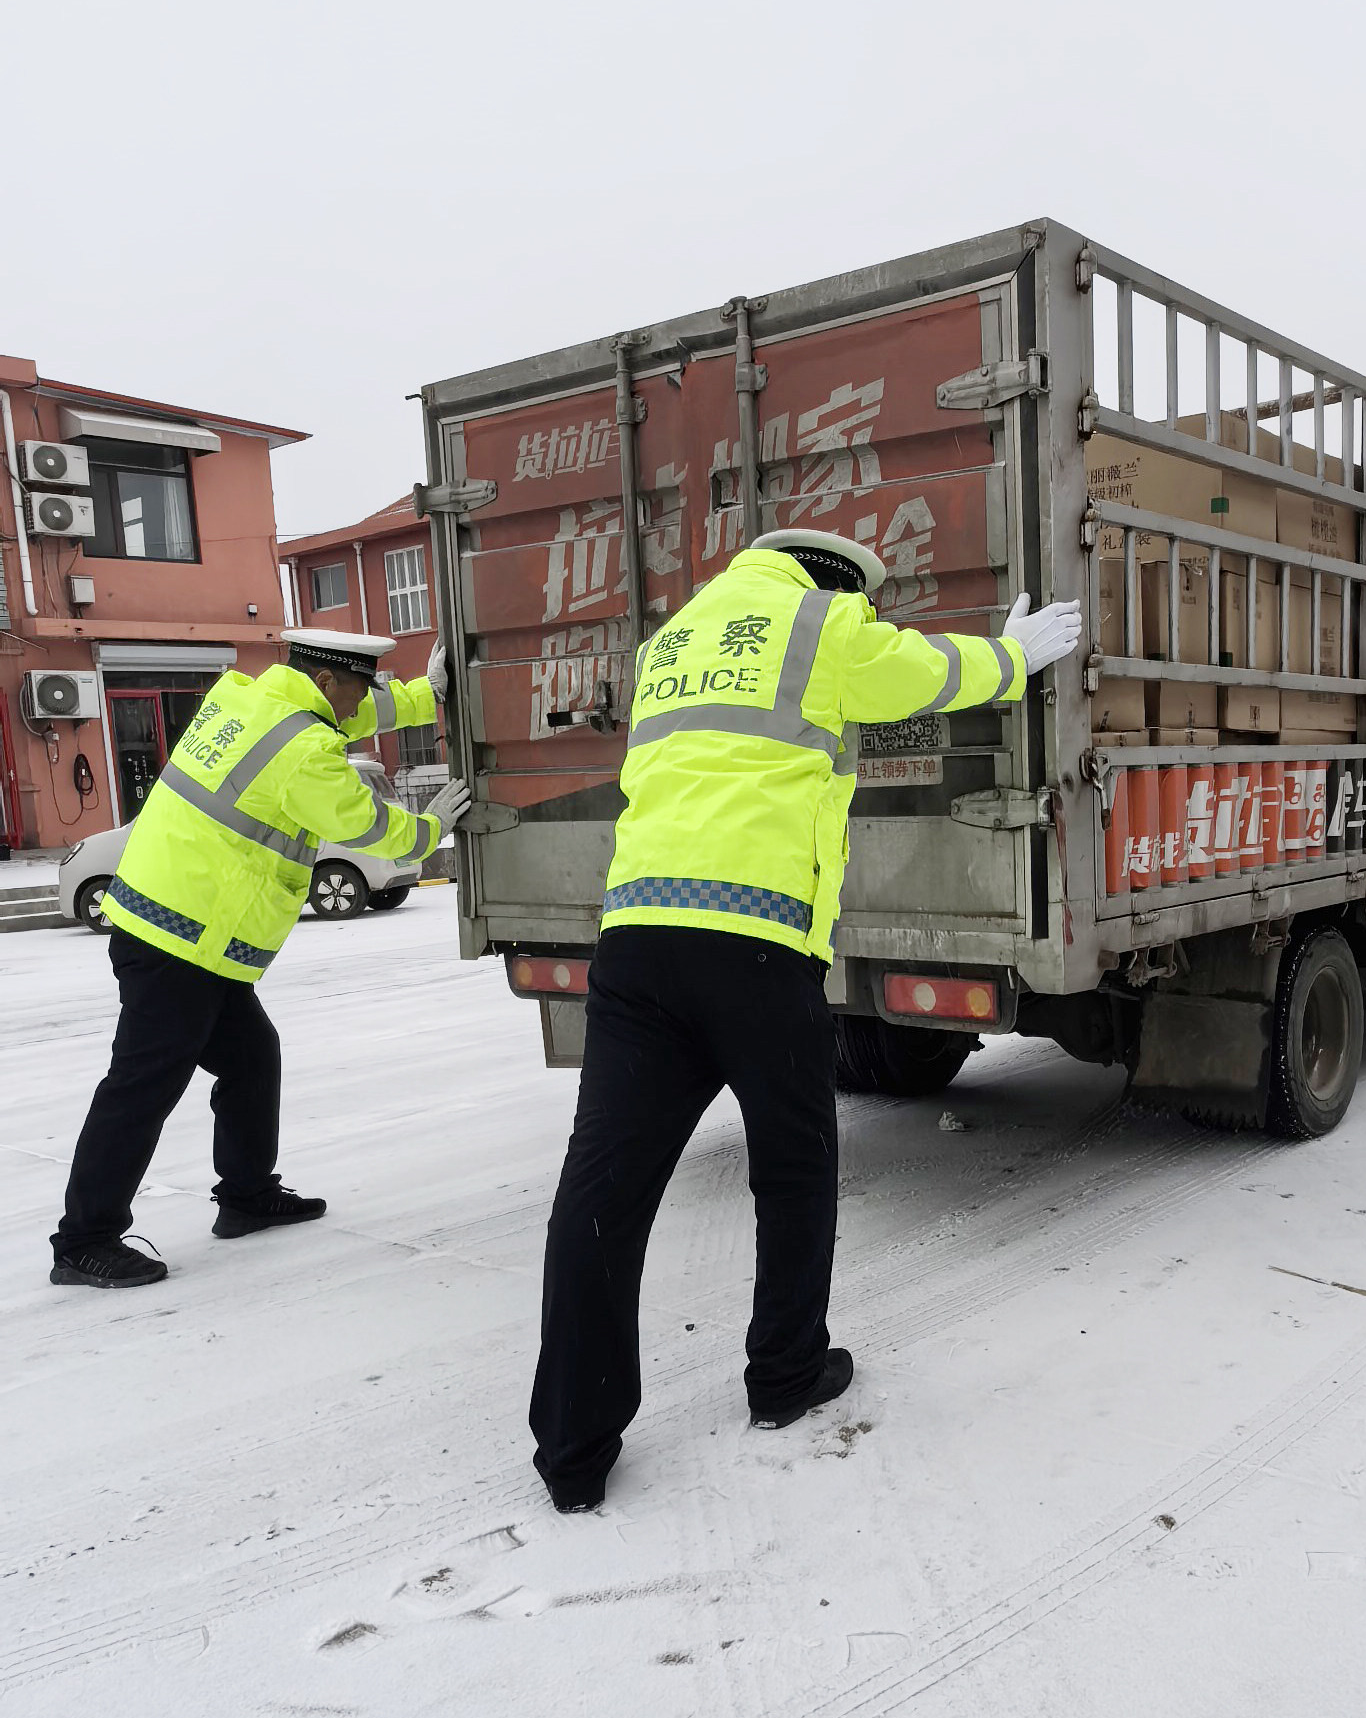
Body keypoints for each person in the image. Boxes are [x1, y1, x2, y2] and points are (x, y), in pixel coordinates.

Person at [528, 528, 1081, 1513]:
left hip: (637, 937)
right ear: (841, 582)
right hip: (753, 940)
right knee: (791, 1164)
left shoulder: (672, 644)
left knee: (602, 1189)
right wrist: (1012, 653)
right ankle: (783, 1374)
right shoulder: (825, 623)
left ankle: (573, 1446)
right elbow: (921, 671)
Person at [50, 628, 471, 1289]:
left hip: (188, 932)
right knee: (141, 1086)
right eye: (365, 682)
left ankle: (246, 1196)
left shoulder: (251, 699)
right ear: (328, 681)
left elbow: (363, 713)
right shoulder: (304, 747)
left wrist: (428, 695)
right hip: (178, 938)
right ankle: (83, 1239)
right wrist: (431, 828)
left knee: (251, 1059)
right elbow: (362, 823)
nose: (370, 696)